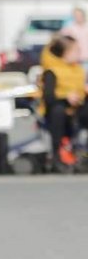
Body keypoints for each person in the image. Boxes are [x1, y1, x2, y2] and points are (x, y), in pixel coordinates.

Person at [39, 34, 88, 172]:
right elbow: (48, 97)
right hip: (57, 109)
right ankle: (56, 156)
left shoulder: (78, 70)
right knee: (58, 111)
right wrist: (66, 97)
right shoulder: (52, 71)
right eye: (76, 50)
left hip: (77, 108)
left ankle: (83, 154)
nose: (79, 53)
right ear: (65, 53)